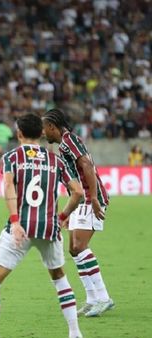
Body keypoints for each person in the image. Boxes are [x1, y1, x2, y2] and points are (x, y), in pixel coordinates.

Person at [0, 114, 85, 338]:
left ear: (19, 133)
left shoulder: (11, 157)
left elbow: (8, 186)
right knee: (60, 278)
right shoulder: (56, 160)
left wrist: (15, 221)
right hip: (49, 228)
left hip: (21, 227)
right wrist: (62, 217)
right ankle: (75, 335)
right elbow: (78, 192)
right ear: (41, 133)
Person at [43, 108, 114, 317]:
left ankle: (104, 297)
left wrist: (93, 197)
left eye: (44, 128)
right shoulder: (64, 145)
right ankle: (92, 299)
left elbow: (86, 166)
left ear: (51, 127)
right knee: (74, 250)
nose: (42, 133)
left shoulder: (69, 140)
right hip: (81, 200)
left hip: (91, 199)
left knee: (79, 246)